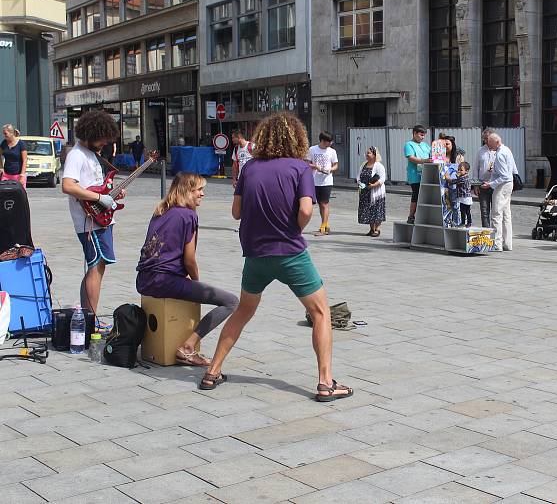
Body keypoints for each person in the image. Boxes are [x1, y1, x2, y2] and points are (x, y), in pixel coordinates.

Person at [200, 112, 352, 402]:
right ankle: (325, 382)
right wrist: (294, 228)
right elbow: (307, 210)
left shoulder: (251, 168)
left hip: (255, 254)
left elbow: (236, 213)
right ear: (297, 138)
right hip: (290, 252)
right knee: (321, 313)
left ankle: (213, 371)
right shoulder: (299, 169)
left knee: (243, 311)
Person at [136, 172, 239, 366]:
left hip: (144, 279)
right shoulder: (188, 215)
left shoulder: (161, 210)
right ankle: (188, 347)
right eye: (199, 190)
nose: (202, 194)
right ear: (187, 191)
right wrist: (197, 282)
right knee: (230, 302)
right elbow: (190, 259)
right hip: (165, 280)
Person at [61, 110, 125, 316]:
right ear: (91, 134)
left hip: (100, 218)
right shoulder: (76, 155)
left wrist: (111, 195)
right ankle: (91, 320)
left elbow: (93, 186)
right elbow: (68, 185)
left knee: (97, 267)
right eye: (102, 139)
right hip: (89, 221)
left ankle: (86, 315)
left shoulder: (91, 155)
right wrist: (99, 199)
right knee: (95, 266)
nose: (104, 143)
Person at [481, 133, 516, 251]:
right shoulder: (507, 150)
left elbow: (504, 176)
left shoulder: (500, 154)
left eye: (490, 143)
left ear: (496, 142)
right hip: (509, 184)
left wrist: (490, 184)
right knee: (506, 214)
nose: (488, 145)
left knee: (496, 214)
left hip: (502, 185)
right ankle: (508, 243)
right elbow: (513, 170)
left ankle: (497, 244)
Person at [306, 131, 338, 236]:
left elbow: (336, 165)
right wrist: (315, 167)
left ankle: (323, 228)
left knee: (324, 203)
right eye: (329, 141)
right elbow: (307, 163)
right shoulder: (312, 149)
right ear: (323, 141)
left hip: (327, 181)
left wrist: (330, 169)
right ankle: (325, 224)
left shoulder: (332, 151)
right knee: (320, 204)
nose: (331, 143)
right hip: (314, 180)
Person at [404, 125, 431, 224]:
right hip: (415, 174)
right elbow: (411, 158)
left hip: (427, 173)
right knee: (416, 194)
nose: (422, 137)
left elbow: (432, 154)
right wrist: (425, 161)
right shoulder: (409, 144)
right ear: (414, 133)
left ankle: (422, 215)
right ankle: (411, 215)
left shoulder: (425, 145)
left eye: (424, 135)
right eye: (421, 135)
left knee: (425, 195)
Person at [357, 146, 386, 237]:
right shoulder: (364, 164)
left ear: (374, 155)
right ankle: (371, 229)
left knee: (376, 210)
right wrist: (360, 184)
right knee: (368, 210)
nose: (367, 154)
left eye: (369, 153)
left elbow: (382, 178)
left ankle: (377, 229)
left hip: (376, 192)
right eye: (367, 153)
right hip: (365, 191)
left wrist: (374, 185)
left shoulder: (379, 166)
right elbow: (358, 176)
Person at [474, 128, 496, 227]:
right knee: (484, 210)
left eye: (487, 139)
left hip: (495, 184)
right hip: (482, 184)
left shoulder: (498, 150)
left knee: (496, 211)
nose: (486, 141)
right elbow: (476, 168)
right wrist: (475, 185)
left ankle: (496, 233)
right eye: (484, 139)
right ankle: (486, 232)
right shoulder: (480, 150)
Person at [451, 161, 472, 227]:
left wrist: (448, 178)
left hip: (466, 198)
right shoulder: (462, 177)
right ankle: (463, 222)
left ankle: (469, 222)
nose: (459, 171)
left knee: (467, 211)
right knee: (462, 210)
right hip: (462, 197)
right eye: (458, 169)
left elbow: (455, 181)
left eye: (461, 170)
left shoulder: (464, 178)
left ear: (466, 171)